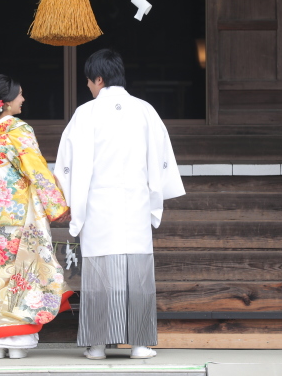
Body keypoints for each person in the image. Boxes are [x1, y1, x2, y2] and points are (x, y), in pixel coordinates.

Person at [53, 49, 185, 360]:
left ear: (99, 78)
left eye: (89, 81)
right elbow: (161, 158)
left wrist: (71, 202)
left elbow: (66, 165)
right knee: (138, 271)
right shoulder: (145, 111)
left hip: (98, 205)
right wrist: (154, 197)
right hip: (136, 203)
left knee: (99, 273)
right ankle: (139, 344)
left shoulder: (85, 114)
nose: (88, 87)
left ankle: (97, 345)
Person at [0, 74, 73, 360]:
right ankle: (17, 339)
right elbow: (37, 169)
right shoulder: (18, 130)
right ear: (5, 103)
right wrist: (57, 206)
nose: (23, 99)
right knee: (20, 275)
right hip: (15, 217)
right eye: (20, 95)